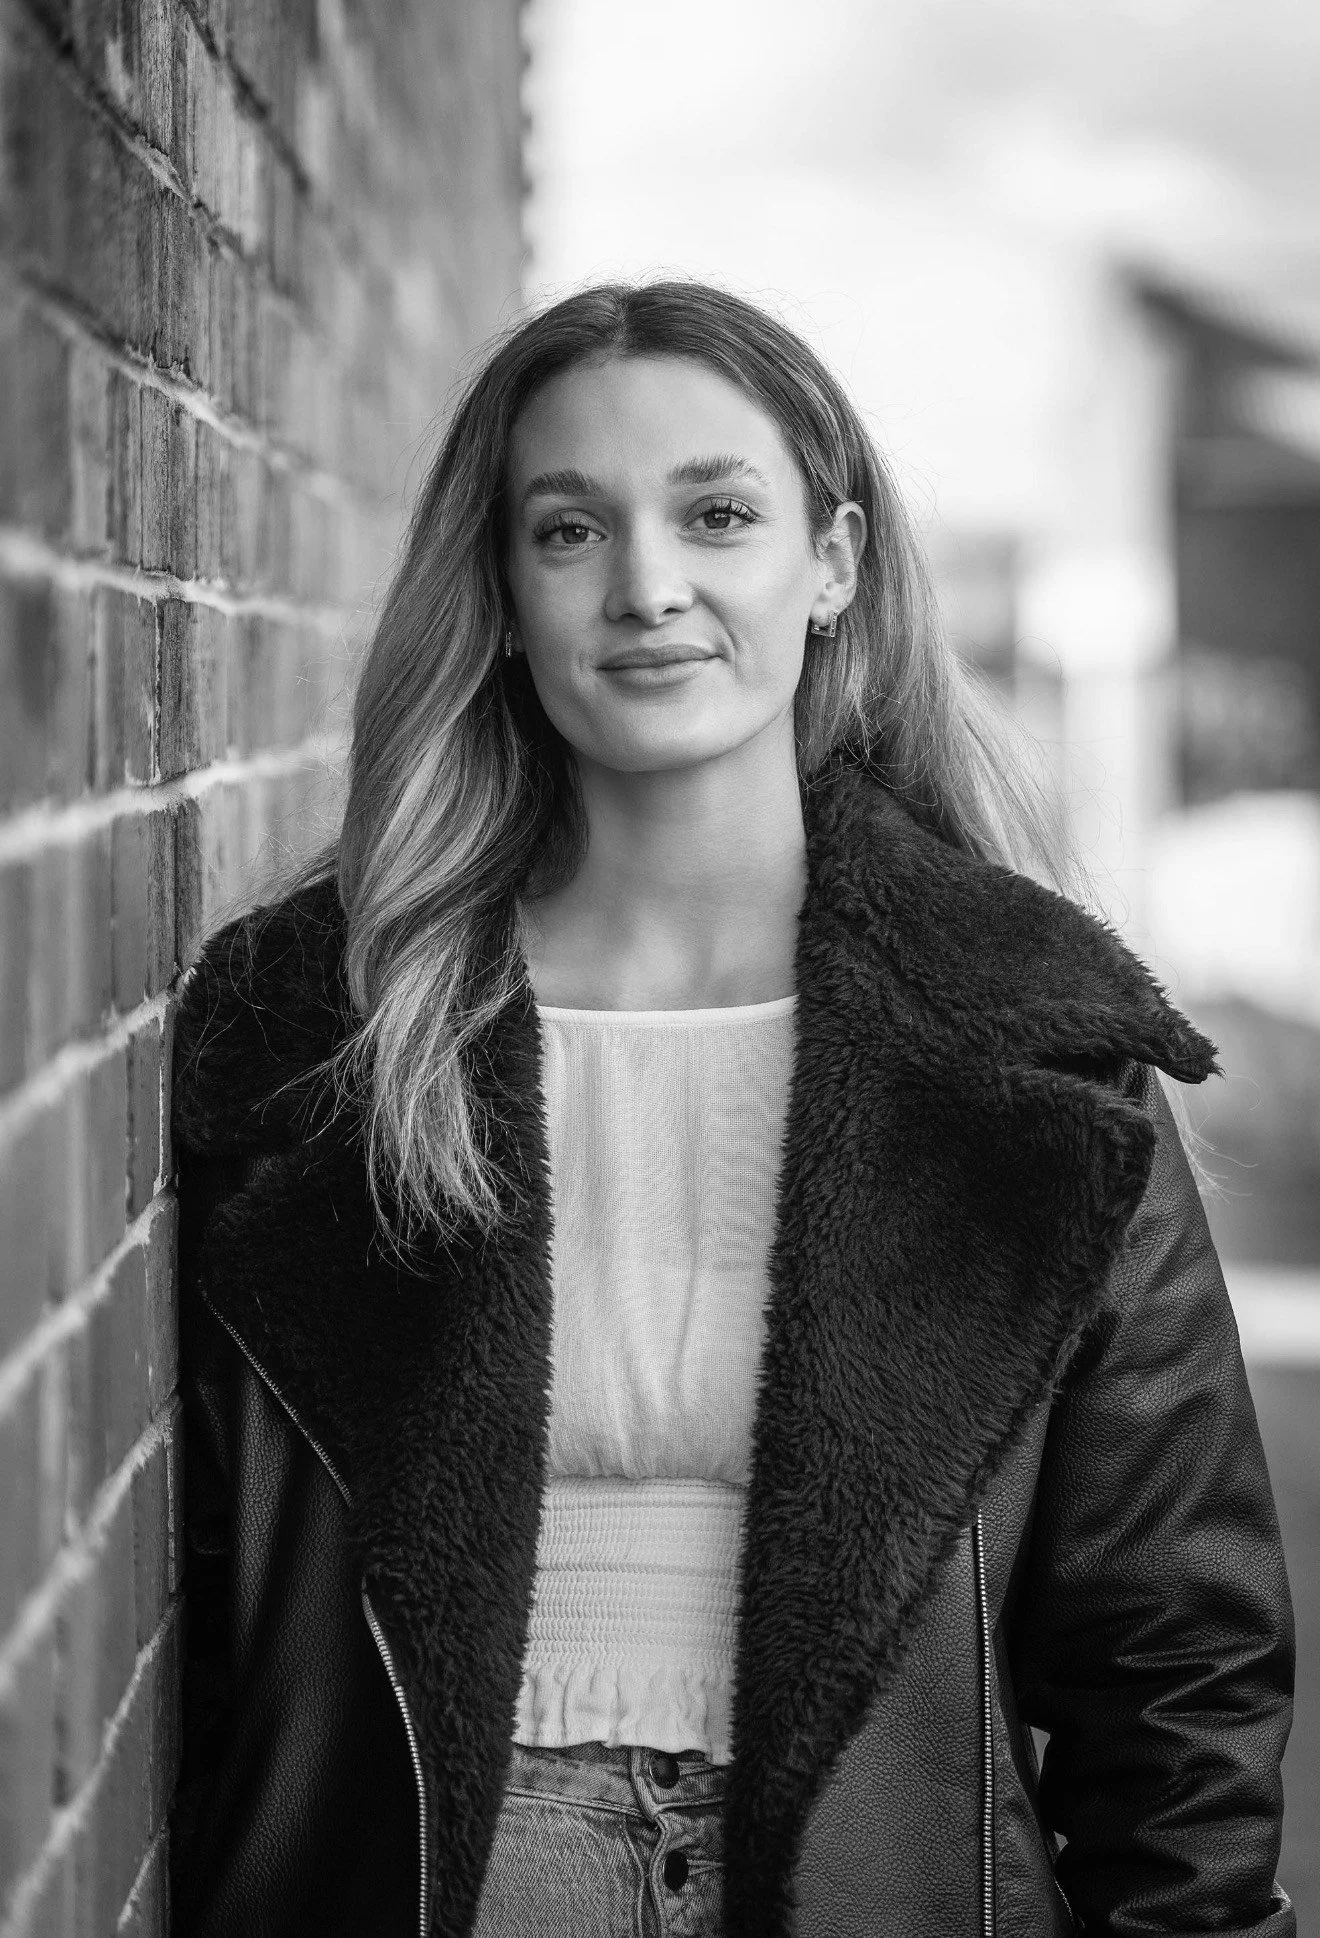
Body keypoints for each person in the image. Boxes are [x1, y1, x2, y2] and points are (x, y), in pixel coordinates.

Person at [168, 280, 1295, 1938]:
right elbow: (202, 1581)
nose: (648, 586)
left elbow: (1175, 1647)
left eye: (717, 514)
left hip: (886, 1892)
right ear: (502, 588)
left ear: (831, 562)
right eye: (570, 530)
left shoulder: (1028, 1041)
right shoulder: (322, 1035)